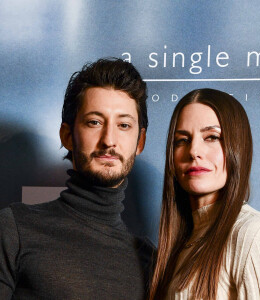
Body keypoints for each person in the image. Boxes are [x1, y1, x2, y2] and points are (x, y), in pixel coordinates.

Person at [0, 58, 154, 299]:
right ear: (67, 136)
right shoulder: (15, 229)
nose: (109, 140)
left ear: (140, 142)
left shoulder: (149, 261)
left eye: (124, 125)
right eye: (94, 122)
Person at [149, 88, 260, 300]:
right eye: (182, 140)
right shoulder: (179, 245)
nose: (194, 151)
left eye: (212, 137)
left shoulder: (255, 233)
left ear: (238, 147)